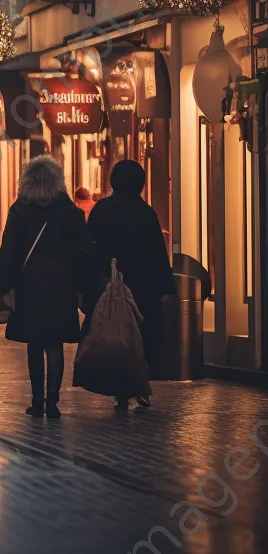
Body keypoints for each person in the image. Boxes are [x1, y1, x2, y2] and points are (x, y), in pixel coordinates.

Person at [0, 156, 95, 418]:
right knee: (55, 343)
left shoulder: (20, 209)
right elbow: (85, 251)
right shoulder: (68, 210)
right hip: (62, 284)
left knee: (35, 343)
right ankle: (53, 402)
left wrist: (3, 284)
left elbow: (9, 251)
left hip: (29, 285)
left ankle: (37, 401)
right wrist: (84, 286)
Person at [86, 159, 175, 410]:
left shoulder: (102, 210)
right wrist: (165, 286)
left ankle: (122, 390)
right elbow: (158, 251)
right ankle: (140, 382)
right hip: (142, 286)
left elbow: (90, 248)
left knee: (116, 334)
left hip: (110, 283)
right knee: (141, 336)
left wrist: (89, 281)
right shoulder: (146, 212)